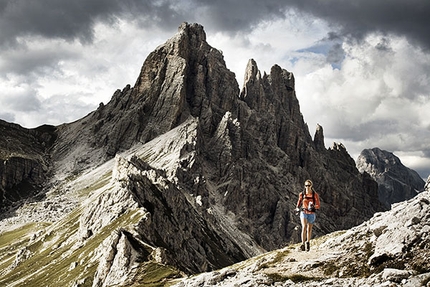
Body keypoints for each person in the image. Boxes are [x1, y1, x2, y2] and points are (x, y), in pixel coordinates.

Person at [296, 179, 320, 251]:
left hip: (311, 213)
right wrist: (297, 207)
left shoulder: (315, 195)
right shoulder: (302, 194)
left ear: (311, 186)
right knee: (304, 227)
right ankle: (303, 244)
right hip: (304, 212)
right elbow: (299, 201)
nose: (307, 187)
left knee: (309, 229)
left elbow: (318, 205)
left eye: (308, 185)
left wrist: (313, 207)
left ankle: (308, 243)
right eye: (306, 185)